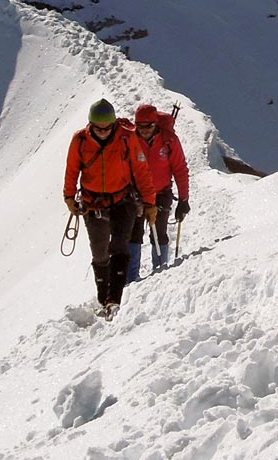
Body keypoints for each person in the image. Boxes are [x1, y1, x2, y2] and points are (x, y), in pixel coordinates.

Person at [63, 99, 159, 316]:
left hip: (122, 200)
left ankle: (114, 298)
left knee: (120, 247)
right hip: (92, 202)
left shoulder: (127, 137)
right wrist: (69, 196)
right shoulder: (80, 140)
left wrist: (150, 202)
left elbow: (141, 170)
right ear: (91, 125)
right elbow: (72, 169)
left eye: (108, 128)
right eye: (99, 128)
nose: (104, 132)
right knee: (99, 251)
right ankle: (102, 297)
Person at [127, 104, 190, 279]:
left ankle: (160, 273)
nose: (144, 130)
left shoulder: (169, 140)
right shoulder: (130, 139)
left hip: (161, 192)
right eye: (140, 127)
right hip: (136, 194)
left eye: (148, 126)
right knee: (134, 233)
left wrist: (183, 200)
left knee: (160, 231)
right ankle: (131, 278)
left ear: (156, 124)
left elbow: (180, 169)